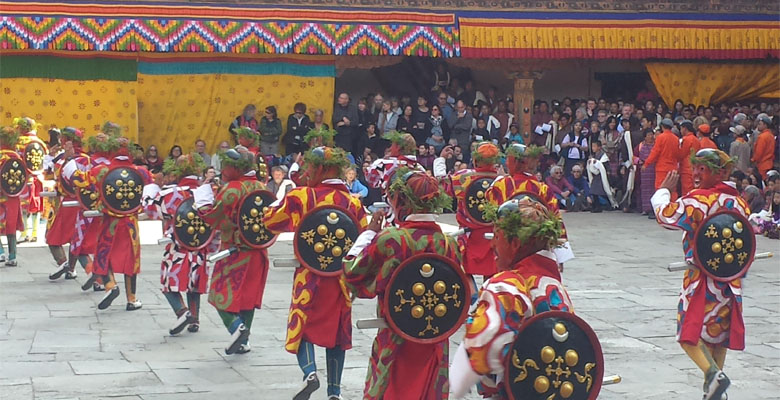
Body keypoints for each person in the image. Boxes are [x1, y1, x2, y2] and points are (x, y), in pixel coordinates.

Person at [344, 170, 460, 399]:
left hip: (395, 340)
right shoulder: (449, 245)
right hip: (434, 340)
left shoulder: (392, 239)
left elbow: (352, 271)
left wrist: (368, 234)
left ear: (403, 201)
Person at [263, 146, 367, 400]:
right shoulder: (353, 202)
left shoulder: (302, 196)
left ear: (321, 169)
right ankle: (334, 391)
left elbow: (270, 220)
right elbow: (365, 238)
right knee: (337, 334)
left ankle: (309, 373)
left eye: (310, 167)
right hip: (340, 281)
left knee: (303, 325)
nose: (307, 172)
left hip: (309, 277)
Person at [651, 149, 751, 400]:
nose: (695, 174)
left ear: (720, 173)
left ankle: (714, 376)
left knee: (689, 333)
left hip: (701, 280)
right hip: (729, 281)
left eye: (702, 169)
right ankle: (715, 390)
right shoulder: (738, 202)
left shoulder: (697, 200)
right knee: (716, 336)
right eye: (694, 168)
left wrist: (663, 192)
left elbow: (665, 216)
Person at [454, 196, 572, 398]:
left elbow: (478, 356)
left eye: (497, 238)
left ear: (515, 243)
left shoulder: (505, 286)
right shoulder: (554, 286)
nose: (492, 247)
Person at [193, 146, 270, 354]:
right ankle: (244, 340)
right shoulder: (261, 187)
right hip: (258, 251)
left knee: (219, 294)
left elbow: (216, 219)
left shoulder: (232, 188)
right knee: (248, 297)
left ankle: (237, 328)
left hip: (234, 251)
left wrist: (201, 203)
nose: (224, 170)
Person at [143, 153, 210, 335]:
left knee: (168, 282)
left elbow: (150, 210)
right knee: (194, 283)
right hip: (200, 245)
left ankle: (182, 312)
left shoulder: (170, 193)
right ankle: (194, 319)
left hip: (177, 245)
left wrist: (152, 188)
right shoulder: (207, 193)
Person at [90, 134, 152, 311]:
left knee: (104, 252)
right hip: (130, 223)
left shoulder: (102, 170)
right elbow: (152, 184)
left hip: (110, 221)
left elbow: (84, 182)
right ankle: (132, 299)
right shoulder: (140, 171)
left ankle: (110, 285)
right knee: (131, 259)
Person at [486, 144, 574, 266]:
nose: (506, 163)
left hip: (508, 246)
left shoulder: (502, 185)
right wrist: (560, 256)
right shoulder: (542, 188)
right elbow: (556, 219)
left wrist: (498, 178)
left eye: (508, 160)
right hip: (536, 247)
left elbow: (490, 203)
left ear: (515, 162)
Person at [447, 142, 500, 278]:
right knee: (492, 274)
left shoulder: (462, 177)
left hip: (469, 236)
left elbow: (447, 190)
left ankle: (473, 295)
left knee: (465, 274)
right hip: (494, 236)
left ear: (475, 160)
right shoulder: (504, 181)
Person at [45, 127, 85, 278]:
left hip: (69, 203)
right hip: (69, 203)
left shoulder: (78, 160)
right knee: (74, 238)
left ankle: (66, 265)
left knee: (53, 237)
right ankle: (69, 268)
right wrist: (50, 157)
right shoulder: (64, 157)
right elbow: (48, 174)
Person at [0, 126, 23, 266]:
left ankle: (1, 253)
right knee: (11, 224)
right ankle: (13, 256)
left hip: (1, 194)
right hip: (13, 195)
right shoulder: (18, 156)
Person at [644, 118, 680, 200]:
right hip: (673, 168)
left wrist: (646, 163)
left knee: (660, 189)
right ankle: (673, 208)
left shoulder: (660, 137)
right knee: (672, 190)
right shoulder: (676, 139)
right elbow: (678, 154)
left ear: (662, 126)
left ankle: (662, 209)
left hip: (662, 168)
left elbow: (655, 152)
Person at [587, 140, 617, 212]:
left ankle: (609, 204)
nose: (593, 148)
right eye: (592, 146)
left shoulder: (604, 156)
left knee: (602, 192)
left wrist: (607, 172)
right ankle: (596, 206)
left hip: (603, 176)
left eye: (594, 146)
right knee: (594, 191)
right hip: (596, 176)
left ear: (599, 147)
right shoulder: (594, 156)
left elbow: (606, 166)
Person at [637, 129, 656, 216]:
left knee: (653, 189)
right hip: (645, 170)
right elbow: (637, 156)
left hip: (653, 169)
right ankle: (645, 208)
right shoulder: (641, 146)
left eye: (651, 134)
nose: (650, 136)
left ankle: (653, 208)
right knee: (645, 189)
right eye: (648, 135)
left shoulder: (656, 145)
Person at [679, 120, 701, 195]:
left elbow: (681, 154)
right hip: (695, 167)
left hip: (686, 168)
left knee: (686, 191)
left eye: (681, 128)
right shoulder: (696, 140)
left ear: (685, 128)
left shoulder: (686, 139)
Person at [752, 115, 776, 179]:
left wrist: (753, 159)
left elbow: (759, 153)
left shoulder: (762, 137)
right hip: (769, 163)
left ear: (765, 125)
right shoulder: (771, 136)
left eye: (760, 124)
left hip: (762, 165)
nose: (758, 126)